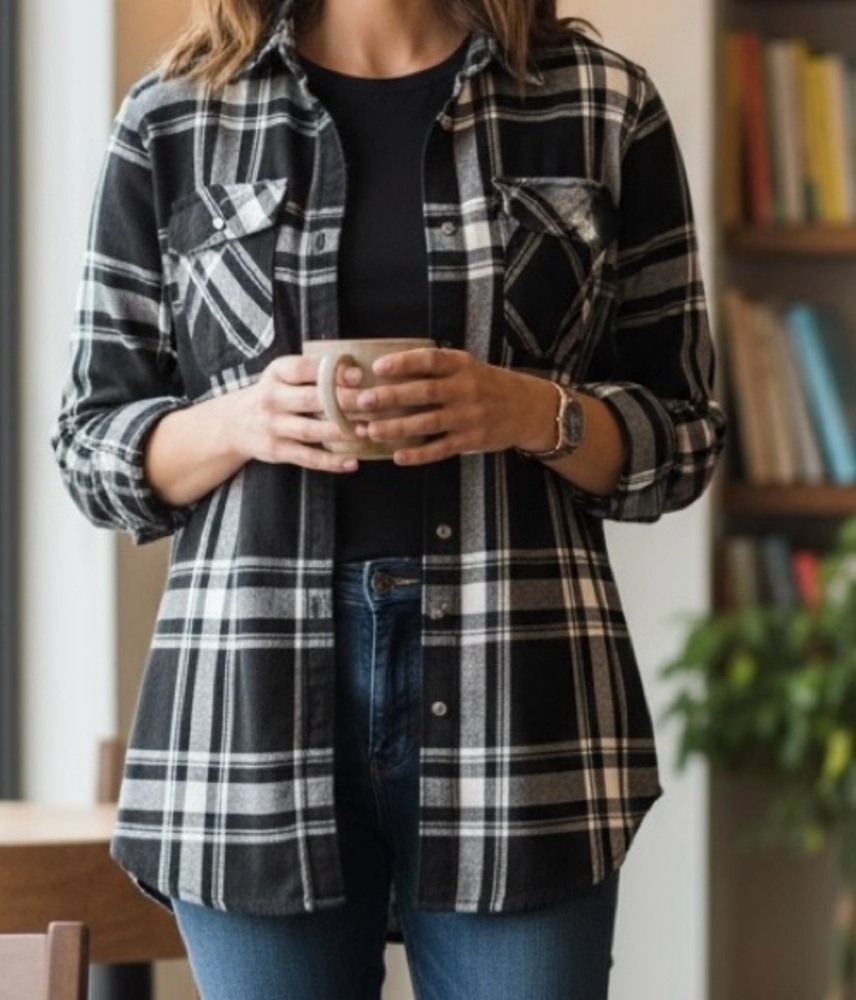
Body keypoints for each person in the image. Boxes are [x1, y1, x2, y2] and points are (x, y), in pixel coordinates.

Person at [53, 0, 726, 996]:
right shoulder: (176, 112)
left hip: (521, 698)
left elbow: (686, 433)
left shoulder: (599, 101)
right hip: (247, 709)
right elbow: (88, 445)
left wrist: (532, 409)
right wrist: (243, 420)